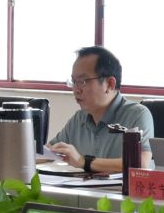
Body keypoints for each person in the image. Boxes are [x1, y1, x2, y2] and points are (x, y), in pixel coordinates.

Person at [47, 46, 154, 174]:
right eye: (74, 81)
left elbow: (140, 164)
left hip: (120, 188)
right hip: (84, 187)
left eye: (82, 81)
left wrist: (83, 161)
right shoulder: (79, 118)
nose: (75, 89)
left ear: (110, 84)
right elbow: (48, 152)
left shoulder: (137, 115)